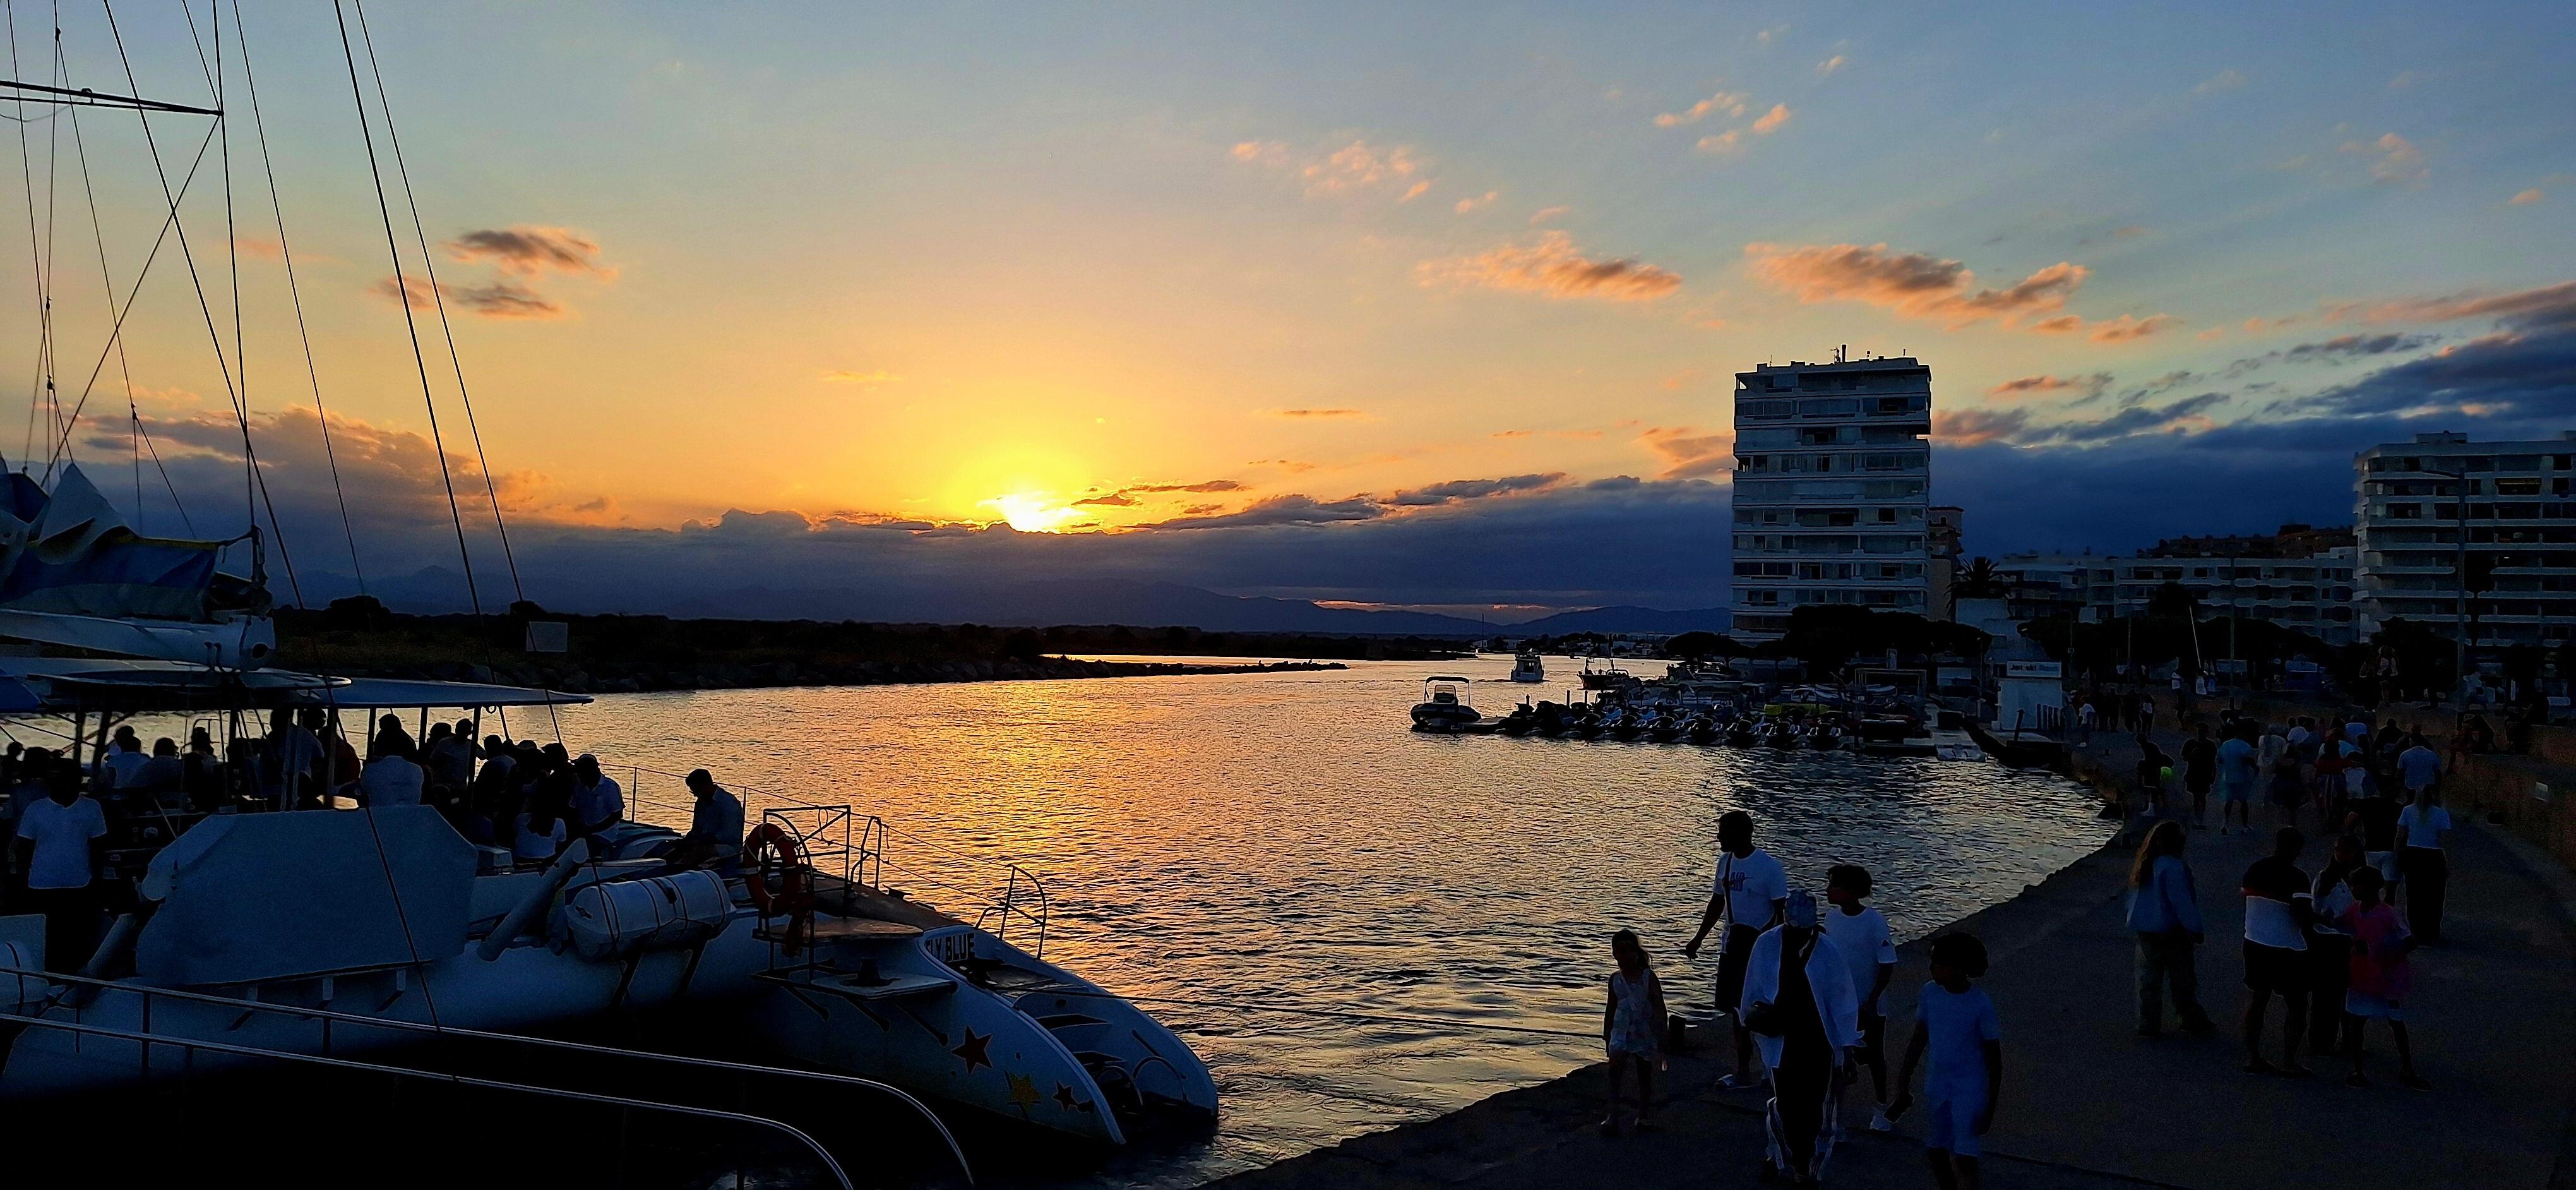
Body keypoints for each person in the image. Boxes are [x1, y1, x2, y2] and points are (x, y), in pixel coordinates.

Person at [1741, 889, 1858, 1187]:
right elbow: (1752, 991)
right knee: (1786, 1107)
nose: (1795, 935)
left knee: (1814, 1111)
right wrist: (1751, 1024)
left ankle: (1805, 1167)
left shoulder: (1828, 951)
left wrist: (1848, 1049)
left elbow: (1844, 1003)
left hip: (1819, 1042)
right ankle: (1785, 1158)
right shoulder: (1767, 944)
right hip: (1781, 1039)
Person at [1684, 810, 1789, 1091]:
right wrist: (1698, 939)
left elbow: (1782, 913)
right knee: (1735, 1010)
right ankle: (1743, 1071)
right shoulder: (1725, 863)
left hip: (1762, 951)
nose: (1718, 836)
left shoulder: (1769, 867)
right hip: (1732, 948)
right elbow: (1717, 903)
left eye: (1723, 831)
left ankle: (1772, 1067)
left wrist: (1766, 943)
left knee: (1766, 1009)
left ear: (1740, 833)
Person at [1890, 934, 2002, 1190]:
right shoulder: (1929, 994)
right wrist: (1903, 1082)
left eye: (1939, 963)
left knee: (1965, 1157)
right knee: (1936, 1151)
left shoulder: (1980, 1004)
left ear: (1959, 969)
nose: (1932, 968)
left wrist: (1990, 1106)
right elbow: (1918, 1039)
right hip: (1937, 1086)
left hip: (1969, 1090)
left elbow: (1994, 1059)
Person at [1823, 864, 1899, 1131]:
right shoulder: (1831, 920)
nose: (1828, 890)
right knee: (1838, 1058)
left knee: (1875, 1057)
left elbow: (1887, 962)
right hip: (1838, 1004)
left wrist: (1872, 999)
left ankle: (1881, 1108)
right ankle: (1836, 1117)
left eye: (1834, 886)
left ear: (1851, 891)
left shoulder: (1874, 922)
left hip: (1869, 1005)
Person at [11, 766, 109, 971]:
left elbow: (99, 848)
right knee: (47, 938)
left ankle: (72, 977)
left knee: (77, 938)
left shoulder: (91, 808)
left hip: (80, 884)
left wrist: (97, 882)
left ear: (77, 784)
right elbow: (24, 848)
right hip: (41, 884)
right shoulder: (36, 809)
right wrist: (22, 882)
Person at [2339, 867, 2428, 1089]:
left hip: (2386, 979)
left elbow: (2410, 941)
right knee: (2360, 1024)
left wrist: (2387, 958)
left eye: (2356, 885)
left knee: (2393, 1023)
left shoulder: (2388, 914)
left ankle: (2406, 1068)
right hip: (2363, 977)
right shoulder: (2354, 911)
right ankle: (2359, 1070)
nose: (2353, 889)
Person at [2125, 820, 2214, 1035]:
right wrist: (2195, 928)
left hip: (2146, 930)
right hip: (2172, 931)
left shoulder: (2146, 864)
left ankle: (2147, 1023)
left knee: (2148, 980)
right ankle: (2190, 1018)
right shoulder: (2173, 866)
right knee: (2182, 979)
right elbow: (2181, 902)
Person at [2239, 827, 2312, 1076]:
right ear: (2296, 849)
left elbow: (2245, 897)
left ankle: (2253, 1057)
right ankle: (2289, 1061)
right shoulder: (2298, 877)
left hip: (2255, 941)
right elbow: (2303, 914)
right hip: (2287, 947)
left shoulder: (2254, 870)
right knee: (2297, 1005)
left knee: (2257, 1001)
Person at [1599, 928, 1667, 1135]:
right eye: (1620, 951)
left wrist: (1662, 1036)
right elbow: (1611, 1007)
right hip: (1621, 1031)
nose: (1625, 956)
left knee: (1644, 1073)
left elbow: (1659, 1007)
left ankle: (1643, 1114)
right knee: (1614, 1072)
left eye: (1629, 951)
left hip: (1644, 1031)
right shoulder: (1615, 979)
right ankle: (1612, 1115)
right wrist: (1607, 1033)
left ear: (1637, 953)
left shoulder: (1648, 977)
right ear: (1614, 954)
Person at [2306, 834, 2366, 1057]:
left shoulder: (2357, 880)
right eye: (2339, 850)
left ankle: (2347, 1038)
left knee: (2349, 993)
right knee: (2327, 995)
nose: (2342, 855)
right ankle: (2321, 1039)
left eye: (2347, 851)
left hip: (2350, 941)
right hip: (2329, 940)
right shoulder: (2326, 878)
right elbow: (2315, 909)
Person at [2396, 784, 2453, 944]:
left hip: (2413, 854)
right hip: (2433, 855)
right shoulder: (2441, 813)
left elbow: (2400, 836)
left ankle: (2416, 930)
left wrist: (2398, 856)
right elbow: (2444, 840)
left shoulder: (2408, 811)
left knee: (2414, 894)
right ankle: (2432, 931)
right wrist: (2447, 862)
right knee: (2435, 895)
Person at [660, 769, 746, 872]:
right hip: (704, 842)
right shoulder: (701, 802)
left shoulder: (728, 804)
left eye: (696, 791)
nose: (695, 795)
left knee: (697, 852)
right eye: (693, 791)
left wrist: (700, 841)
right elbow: (696, 829)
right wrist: (685, 841)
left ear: (706, 785)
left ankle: (683, 875)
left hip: (729, 847)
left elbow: (728, 836)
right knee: (672, 850)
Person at [2216, 723, 2258, 835]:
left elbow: (2220, 760)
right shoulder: (2245, 746)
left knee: (2228, 801)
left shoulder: (2225, 744)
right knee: (2243, 802)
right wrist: (2255, 769)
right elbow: (2247, 759)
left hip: (2228, 777)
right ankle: (2244, 825)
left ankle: (2225, 823)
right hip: (2242, 777)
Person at [569, 754, 624, 838]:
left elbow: (617, 814)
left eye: (582, 773)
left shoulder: (610, 787)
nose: (579, 776)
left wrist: (593, 830)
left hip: (606, 834)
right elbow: (573, 808)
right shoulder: (579, 786)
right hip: (583, 832)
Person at [512, 784, 569, 863]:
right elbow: (561, 841)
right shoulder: (559, 823)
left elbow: (515, 831)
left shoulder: (521, 818)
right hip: (546, 863)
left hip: (521, 861)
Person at [357, 741, 425, 808]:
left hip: (378, 815)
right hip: (412, 814)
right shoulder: (417, 770)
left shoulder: (372, 769)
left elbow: (361, 791)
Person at [2181, 725, 2217, 829]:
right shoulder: (2190, 743)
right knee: (2197, 797)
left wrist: (2214, 774)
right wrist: (2192, 753)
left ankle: (2200, 819)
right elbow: (2184, 758)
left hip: (2205, 774)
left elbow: (2213, 761)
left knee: (2202, 797)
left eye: (2202, 732)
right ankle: (2199, 819)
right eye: (2198, 732)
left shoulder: (2210, 745)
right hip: (2193, 773)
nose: (2200, 734)